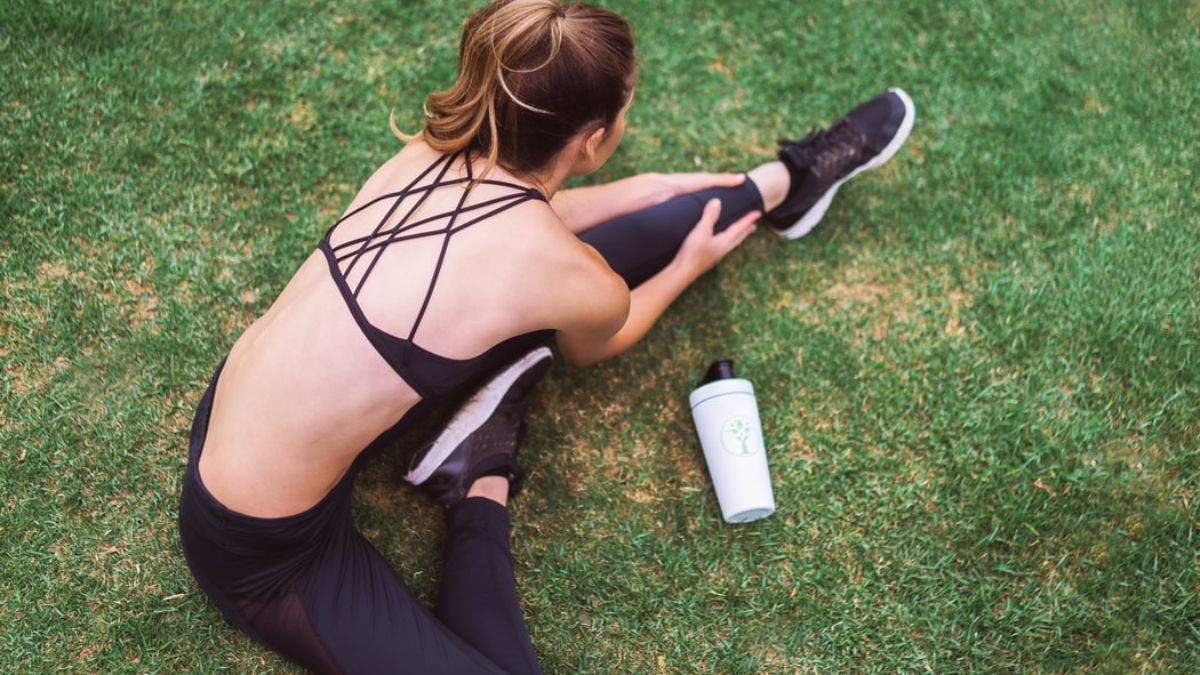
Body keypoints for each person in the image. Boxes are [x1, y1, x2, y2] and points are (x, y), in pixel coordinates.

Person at [176, 0, 915, 672]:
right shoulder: (562, 274)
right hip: (260, 548)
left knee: (568, 265)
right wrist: (688, 262)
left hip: (246, 417)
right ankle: (479, 476)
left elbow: (531, 222)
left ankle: (781, 184)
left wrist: (653, 188)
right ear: (593, 139)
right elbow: (598, 337)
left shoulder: (431, 151)